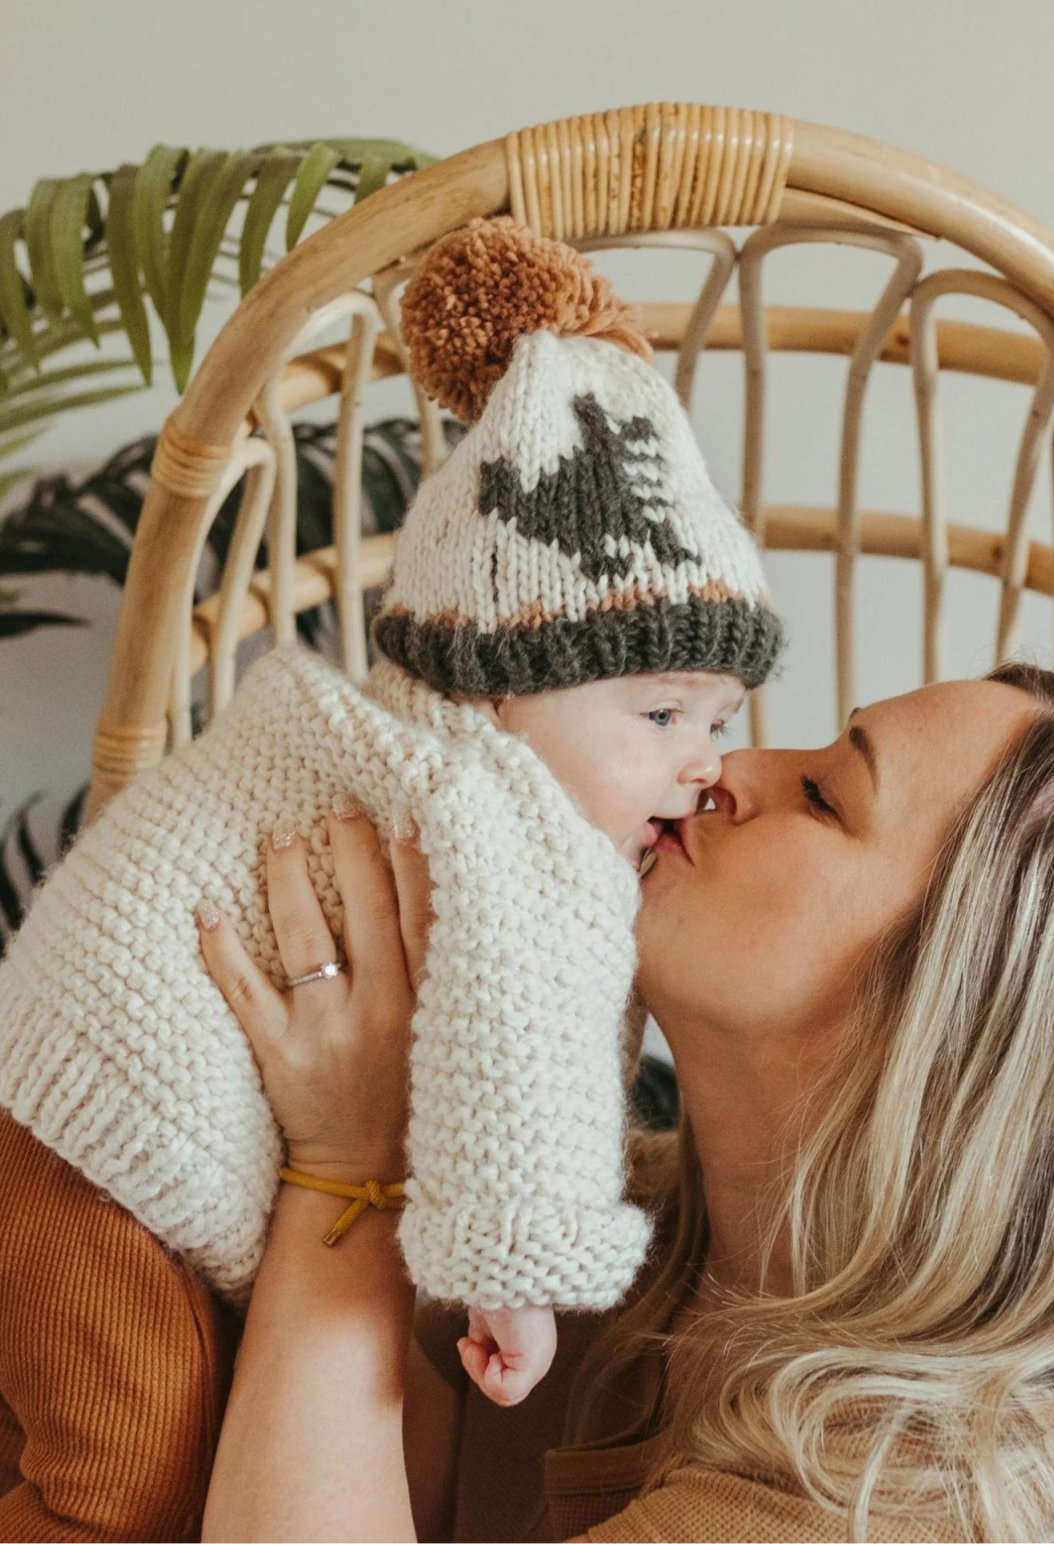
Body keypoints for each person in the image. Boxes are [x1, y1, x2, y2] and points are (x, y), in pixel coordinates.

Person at [0, 220, 780, 1537]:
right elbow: (519, 1068)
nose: (701, 765)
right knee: (124, 1475)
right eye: (658, 717)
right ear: (494, 683)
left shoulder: (428, 754)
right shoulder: (491, 812)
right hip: (92, 1130)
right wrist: (515, 1280)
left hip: (85, 1107)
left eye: (718, 718)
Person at [201, 663, 1054, 1543]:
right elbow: (412, 1476)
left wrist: (348, 1162)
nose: (725, 766)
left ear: (951, 1021)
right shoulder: (632, 1242)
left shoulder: (907, 1505)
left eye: (821, 794)